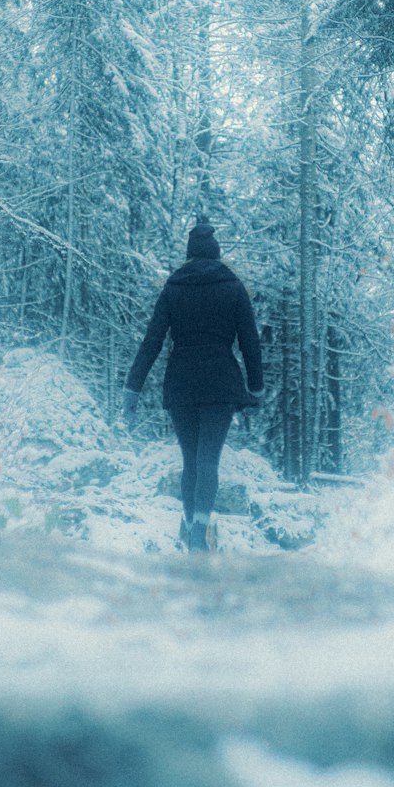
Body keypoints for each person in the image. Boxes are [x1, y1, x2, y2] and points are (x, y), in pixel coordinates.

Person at [123, 221, 264, 552]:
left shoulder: (174, 287)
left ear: (189, 255)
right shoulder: (233, 287)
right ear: (216, 254)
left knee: (190, 460)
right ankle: (200, 529)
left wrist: (133, 387)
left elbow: (152, 341)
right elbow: (250, 342)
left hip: (182, 385)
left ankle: (191, 531)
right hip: (220, 386)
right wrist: (255, 387)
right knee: (208, 461)